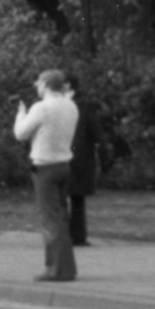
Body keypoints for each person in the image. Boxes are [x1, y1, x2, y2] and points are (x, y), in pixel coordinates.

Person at [12, 69, 80, 282]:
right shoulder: (71, 105)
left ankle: (56, 269)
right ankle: (66, 267)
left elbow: (21, 133)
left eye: (39, 83)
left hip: (44, 167)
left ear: (46, 84)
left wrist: (21, 114)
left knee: (50, 219)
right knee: (61, 217)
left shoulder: (41, 108)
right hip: (63, 164)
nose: (36, 86)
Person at [65, 75, 100, 247]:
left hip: (66, 157)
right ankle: (77, 235)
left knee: (62, 197)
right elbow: (97, 134)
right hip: (80, 156)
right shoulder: (85, 107)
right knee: (77, 198)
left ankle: (63, 234)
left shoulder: (50, 106)